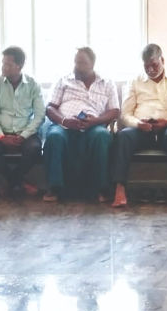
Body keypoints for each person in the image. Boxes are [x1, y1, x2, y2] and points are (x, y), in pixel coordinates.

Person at [112, 43, 167, 209]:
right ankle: (120, 187)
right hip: (141, 130)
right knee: (123, 136)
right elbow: (126, 114)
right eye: (146, 66)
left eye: (154, 65)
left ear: (163, 60)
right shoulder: (135, 81)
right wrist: (138, 124)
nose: (150, 70)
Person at [43, 47, 120, 202]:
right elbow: (50, 108)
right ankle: (55, 188)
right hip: (64, 125)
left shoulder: (106, 83)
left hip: (93, 126)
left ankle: (101, 188)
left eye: (82, 63)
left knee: (102, 136)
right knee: (54, 136)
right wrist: (65, 121)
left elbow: (115, 111)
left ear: (92, 64)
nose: (77, 66)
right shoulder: (63, 80)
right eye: (76, 62)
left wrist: (96, 121)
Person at [0, 46, 45, 197]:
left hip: (25, 132)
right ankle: (20, 181)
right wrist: (1, 137)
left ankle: (10, 183)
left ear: (19, 66)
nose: (4, 67)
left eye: (8, 64)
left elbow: (40, 115)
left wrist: (23, 136)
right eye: (3, 63)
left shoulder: (33, 85)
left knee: (34, 149)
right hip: (1, 132)